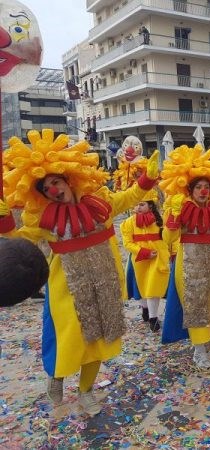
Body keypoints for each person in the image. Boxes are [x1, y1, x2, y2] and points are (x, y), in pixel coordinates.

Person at [0, 130, 159, 416]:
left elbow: (130, 196)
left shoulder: (100, 204)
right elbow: (19, 241)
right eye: (45, 188)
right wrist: (3, 220)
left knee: (97, 343)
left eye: (55, 182)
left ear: (68, 180)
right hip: (66, 289)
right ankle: (57, 375)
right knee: (69, 337)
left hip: (104, 284)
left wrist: (148, 177)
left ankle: (86, 391)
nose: (52, 190)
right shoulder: (43, 218)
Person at [159, 145, 210, 368]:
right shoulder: (180, 207)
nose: (203, 191)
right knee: (195, 303)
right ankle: (199, 349)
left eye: (206, 187)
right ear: (190, 189)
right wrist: (173, 216)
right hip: (190, 264)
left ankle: (206, 340)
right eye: (199, 187)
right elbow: (168, 238)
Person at [120, 194, 170, 332]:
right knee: (141, 285)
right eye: (136, 204)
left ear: (151, 206)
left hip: (158, 258)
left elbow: (169, 238)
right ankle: (145, 308)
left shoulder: (161, 221)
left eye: (142, 204)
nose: (138, 207)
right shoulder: (128, 223)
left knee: (153, 286)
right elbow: (127, 243)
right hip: (139, 260)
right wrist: (143, 252)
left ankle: (153, 318)